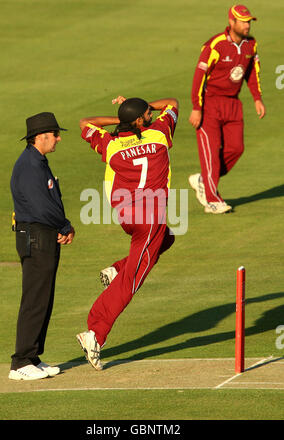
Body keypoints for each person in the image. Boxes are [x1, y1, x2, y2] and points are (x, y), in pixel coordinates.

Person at [76, 96, 179, 370]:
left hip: (127, 216)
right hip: (150, 218)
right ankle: (95, 333)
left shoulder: (111, 144)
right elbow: (172, 102)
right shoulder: (160, 132)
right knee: (133, 279)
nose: (150, 114)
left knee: (166, 239)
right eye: (146, 113)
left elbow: (85, 123)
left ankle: (117, 270)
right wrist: (144, 110)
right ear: (141, 119)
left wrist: (122, 119)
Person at [9, 112, 75, 380]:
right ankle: (20, 362)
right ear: (41, 137)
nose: (58, 139)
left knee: (43, 298)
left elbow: (49, 201)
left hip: (42, 235)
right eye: (54, 134)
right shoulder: (30, 165)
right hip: (35, 236)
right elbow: (41, 206)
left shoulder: (38, 161)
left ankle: (32, 357)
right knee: (35, 299)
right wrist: (65, 225)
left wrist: (61, 225)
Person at [188, 4, 266, 214]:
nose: (247, 25)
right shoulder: (216, 45)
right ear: (231, 22)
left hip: (233, 104)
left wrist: (257, 98)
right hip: (210, 104)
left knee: (236, 149)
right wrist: (197, 107)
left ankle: (204, 180)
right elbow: (199, 77)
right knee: (211, 155)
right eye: (242, 21)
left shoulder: (251, 44)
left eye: (248, 21)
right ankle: (212, 201)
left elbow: (252, 72)